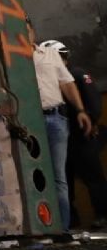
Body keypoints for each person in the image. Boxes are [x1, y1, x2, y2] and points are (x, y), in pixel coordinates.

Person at [28, 19, 92, 231]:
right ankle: (39, 228)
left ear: (32, 30)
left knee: (59, 177)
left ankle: (62, 229)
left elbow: (66, 83)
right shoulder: (11, 59)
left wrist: (81, 111)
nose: (24, 32)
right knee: (33, 176)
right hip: (28, 122)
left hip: (55, 119)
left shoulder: (50, 54)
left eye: (26, 27)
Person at [40, 39, 107, 229]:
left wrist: (90, 121)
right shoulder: (52, 81)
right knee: (65, 180)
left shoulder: (77, 74)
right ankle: (72, 220)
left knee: (93, 178)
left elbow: (93, 102)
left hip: (82, 137)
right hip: (63, 138)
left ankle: (103, 215)